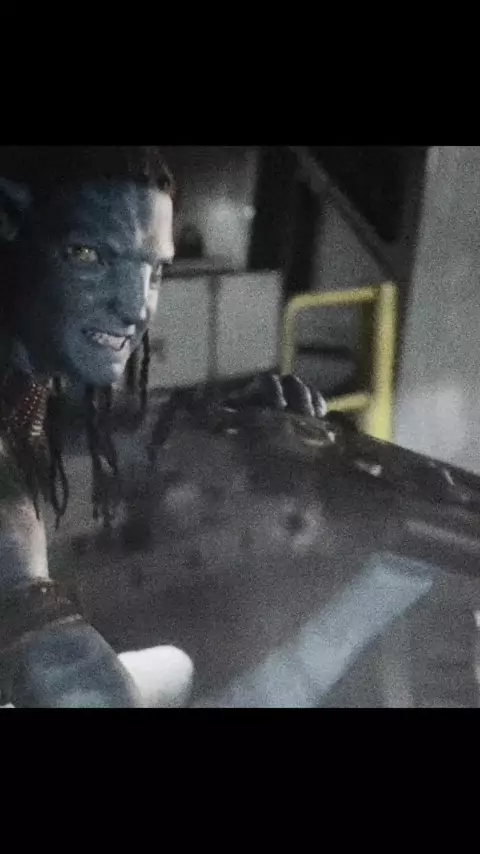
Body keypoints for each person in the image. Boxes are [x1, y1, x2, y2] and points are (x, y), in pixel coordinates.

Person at [0, 146, 325, 708]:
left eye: (155, 270)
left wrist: (210, 419)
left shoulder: (23, 375)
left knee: (177, 669)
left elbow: (72, 422)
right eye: (90, 255)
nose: (136, 308)